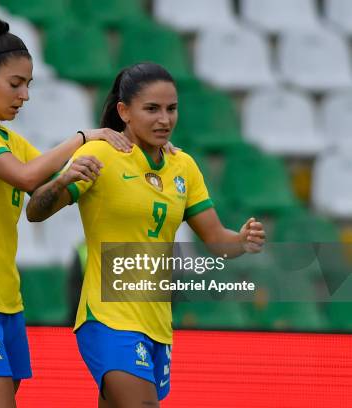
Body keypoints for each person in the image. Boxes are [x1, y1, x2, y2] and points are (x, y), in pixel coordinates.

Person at [0, 19, 163, 407]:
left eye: (29, 85)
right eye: (16, 83)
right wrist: (82, 138)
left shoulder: (11, 140)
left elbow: (43, 197)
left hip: (4, 296)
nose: (24, 95)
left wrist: (138, 158)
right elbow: (25, 178)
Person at [26, 62, 266, 407]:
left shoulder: (183, 166)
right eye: (152, 109)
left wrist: (242, 241)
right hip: (108, 318)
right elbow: (35, 212)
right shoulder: (100, 154)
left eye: (171, 109)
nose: (164, 120)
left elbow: (217, 241)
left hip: (157, 323)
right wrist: (63, 180)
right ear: (124, 111)